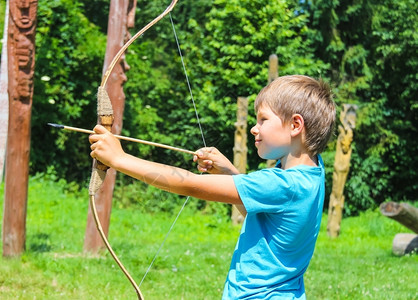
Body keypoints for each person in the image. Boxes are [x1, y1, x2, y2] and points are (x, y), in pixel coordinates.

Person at [89, 75, 336, 299]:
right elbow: (264, 221)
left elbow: (191, 185)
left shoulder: (282, 183)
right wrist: (229, 173)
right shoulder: (312, 172)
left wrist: (119, 159)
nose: (254, 128)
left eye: (263, 120)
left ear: (295, 125)